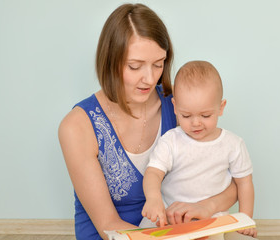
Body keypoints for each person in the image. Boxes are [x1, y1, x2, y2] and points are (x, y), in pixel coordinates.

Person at [58, 4, 238, 240]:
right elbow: (108, 224)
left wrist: (206, 208)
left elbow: (232, 183)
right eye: (135, 66)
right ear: (110, 61)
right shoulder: (77, 126)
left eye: (158, 64)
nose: (150, 79)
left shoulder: (178, 108)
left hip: (174, 233)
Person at [141, 60, 257, 238]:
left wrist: (246, 218)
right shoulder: (171, 140)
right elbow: (153, 173)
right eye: (186, 115)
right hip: (169, 213)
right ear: (175, 107)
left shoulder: (233, 145)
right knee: (147, 230)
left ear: (221, 107)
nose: (196, 123)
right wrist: (153, 198)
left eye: (205, 115)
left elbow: (245, 183)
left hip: (210, 218)